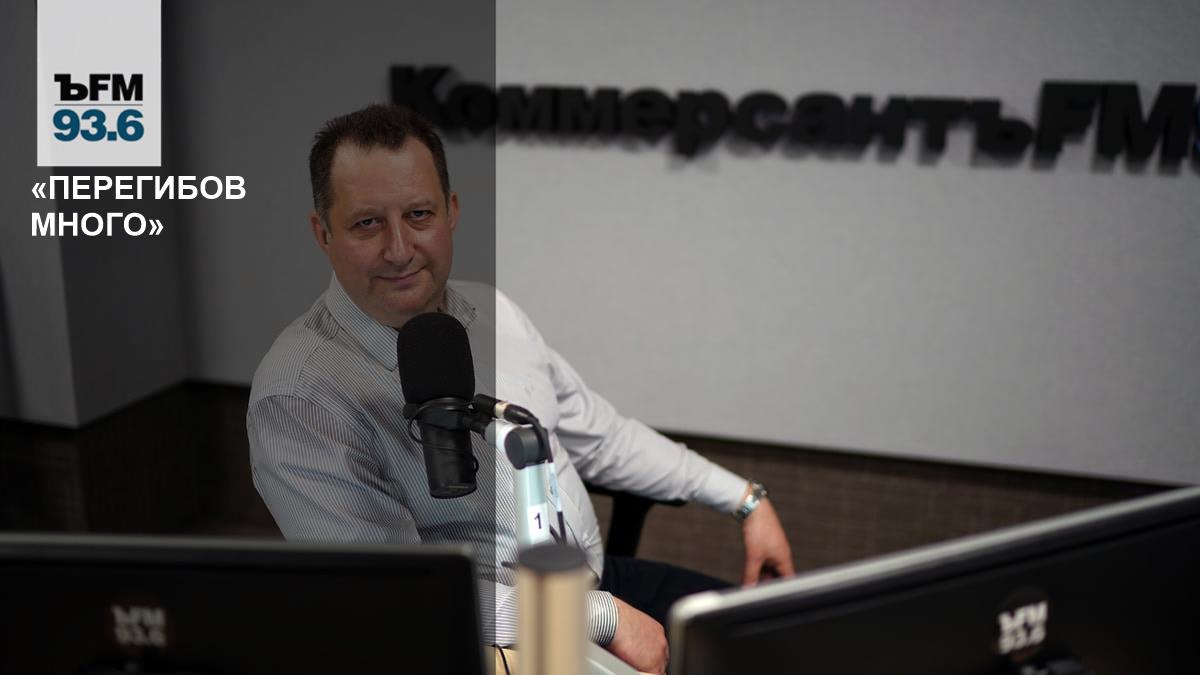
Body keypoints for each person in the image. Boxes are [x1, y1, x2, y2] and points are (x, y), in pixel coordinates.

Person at [247, 103, 794, 674]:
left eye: (418, 214)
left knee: (773, 644)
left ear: (451, 211)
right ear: (323, 232)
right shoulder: (299, 397)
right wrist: (598, 618)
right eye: (367, 224)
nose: (400, 248)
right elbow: (402, 593)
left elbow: (600, 436)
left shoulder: (491, 310)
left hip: (597, 585)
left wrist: (745, 500)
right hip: (497, 637)